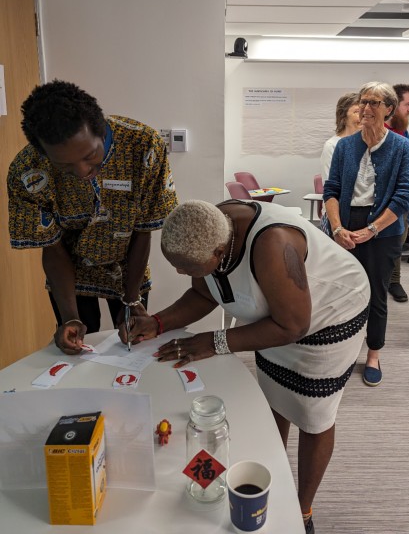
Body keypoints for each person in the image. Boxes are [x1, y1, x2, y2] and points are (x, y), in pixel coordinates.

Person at [120, 199, 371, 534]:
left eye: (187, 268)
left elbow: (293, 326)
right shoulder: (210, 226)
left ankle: (303, 510)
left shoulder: (272, 244)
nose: (181, 274)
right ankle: (274, 479)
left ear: (221, 250)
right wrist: (158, 322)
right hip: (273, 321)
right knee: (274, 400)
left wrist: (215, 342)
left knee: (314, 415)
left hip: (330, 316)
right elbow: (205, 293)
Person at [7, 80, 178, 354]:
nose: (83, 170)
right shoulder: (27, 171)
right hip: (69, 271)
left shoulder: (144, 146)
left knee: (132, 342)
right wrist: (69, 317)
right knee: (77, 347)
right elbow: (52, 246)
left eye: (91, 155)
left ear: (102, 130)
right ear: (42, 152)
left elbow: (142, 229)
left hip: (128, 264)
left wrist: (132, 300)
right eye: (64, 165)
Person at [324, 81, 409, 386]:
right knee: (342, 292)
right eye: (363, 101)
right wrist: (337, 228)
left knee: (376, 294)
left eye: (374, 102)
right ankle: (343, 350)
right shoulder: (344, 146)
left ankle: (373, 354)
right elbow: (332, 189)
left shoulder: (401, 146)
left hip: (384, 228)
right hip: (346, 223)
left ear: (388, 109)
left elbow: (404, 195)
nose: (365, 108)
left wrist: (372, 229)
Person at [385, 84, 409, 303]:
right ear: (394, 106)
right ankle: (381, 281)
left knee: (398, 239)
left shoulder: (403, 129)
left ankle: (394, 281)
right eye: (408, 104)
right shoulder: (380, 130)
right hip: (384, 198)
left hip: (402, 197)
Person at [320, 92, 361, 183]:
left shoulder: (368, 143)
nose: (362, 117)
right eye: (357, 112)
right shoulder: (332, 145)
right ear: (343, 117)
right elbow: (329, 184)